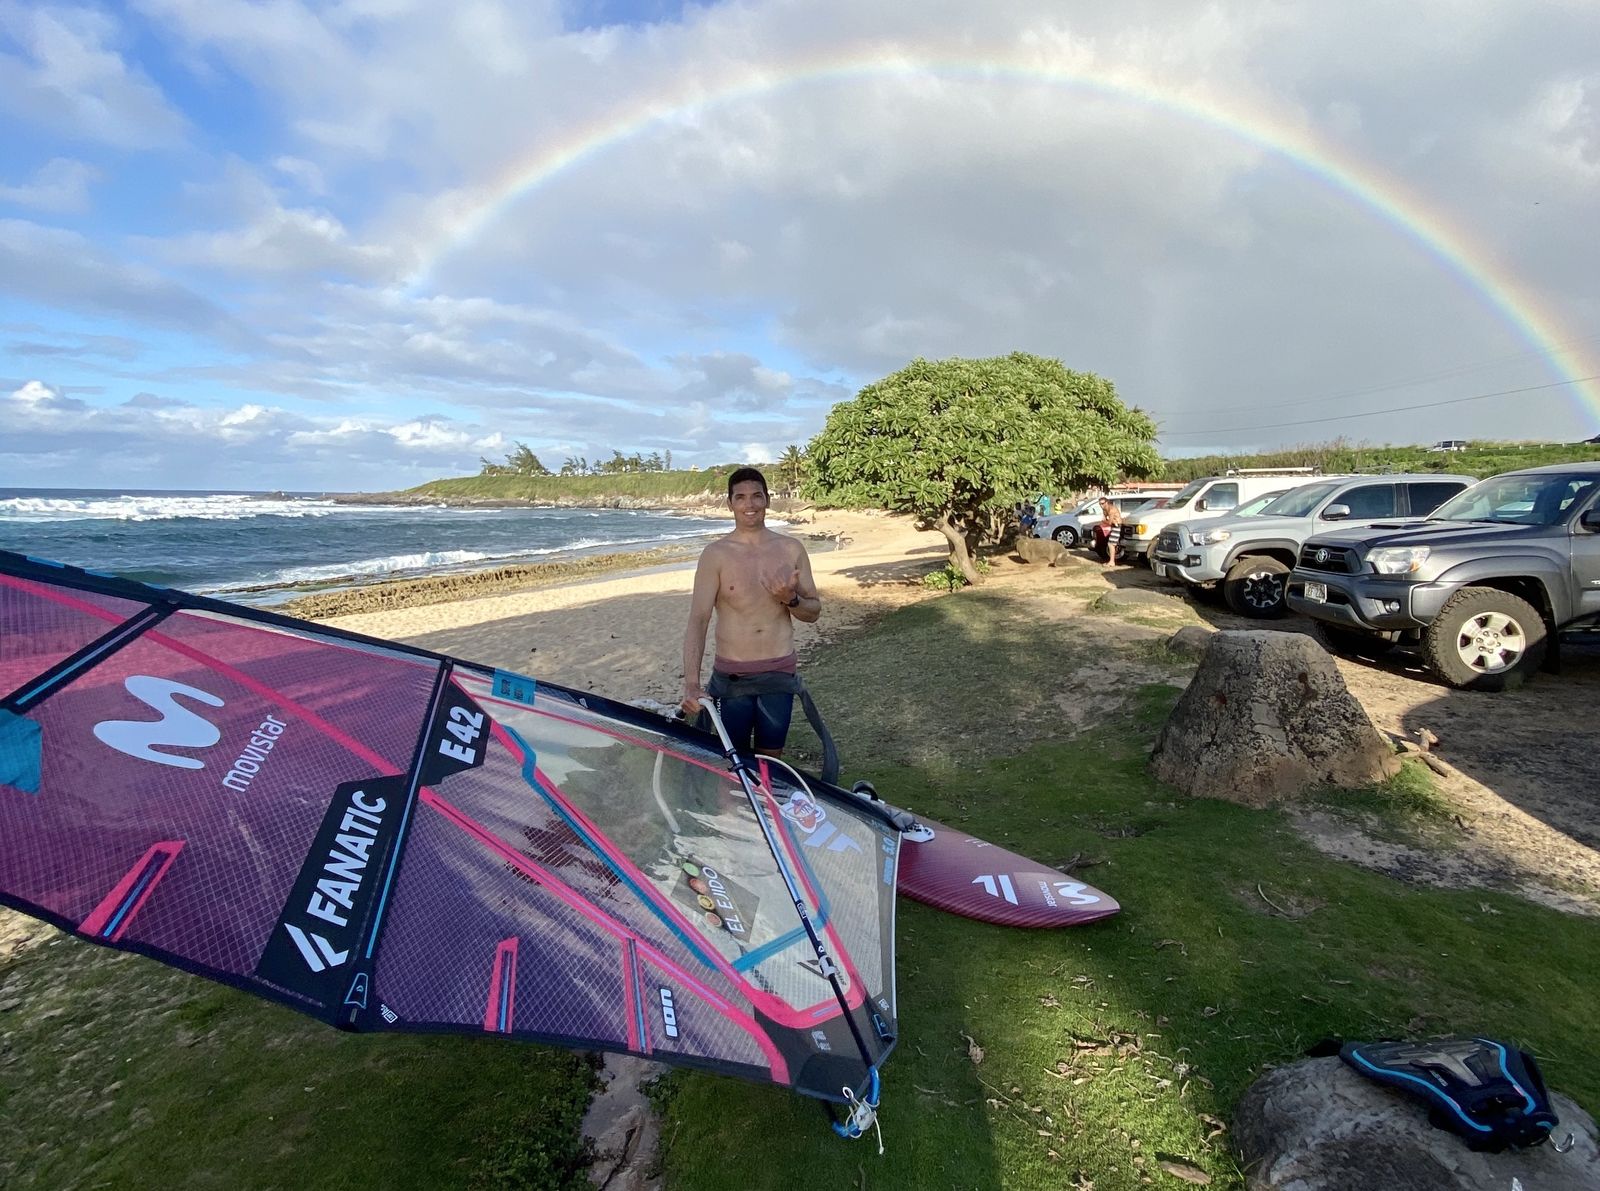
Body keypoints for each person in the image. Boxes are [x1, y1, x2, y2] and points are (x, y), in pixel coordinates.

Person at [681, 467, 821, 759]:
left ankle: (764, 804)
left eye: (757, 496)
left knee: (770, 762)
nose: (750, 504)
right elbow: (699, 620)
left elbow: (814, 611)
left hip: (778, 676)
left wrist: (790, 599)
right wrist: (692, 684)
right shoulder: (715, 555)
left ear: (768, 500)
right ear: (730, 503)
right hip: (731, 680)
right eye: (741, 497)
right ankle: (731, 807)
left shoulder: (790, 548)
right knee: (732, 764)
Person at [1097, 496, 1123, 566]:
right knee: (1110, 543)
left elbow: (1109, 522)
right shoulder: (1105, 510)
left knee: (1111, 544)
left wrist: (1104, 521)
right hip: (1113, 526)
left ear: (1107, 502)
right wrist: (1106, 521)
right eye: (1100, 504)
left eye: (1102, 503)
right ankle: (1111, 561)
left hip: (1117, 526)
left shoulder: (1111, 509)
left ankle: (1112, 562)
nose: (1101, 505)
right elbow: (1107, 520)